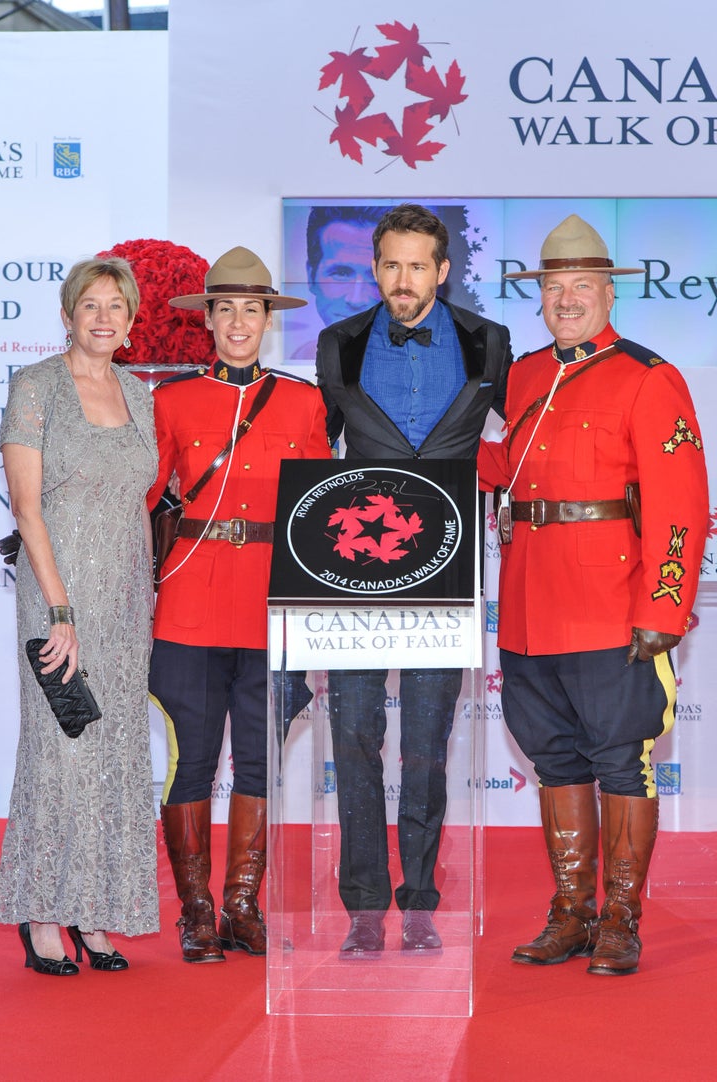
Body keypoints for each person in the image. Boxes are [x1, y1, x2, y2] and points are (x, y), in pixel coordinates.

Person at [478, 214, 709, 975]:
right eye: (553, 287)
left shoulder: (649, 377)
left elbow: (680, 511)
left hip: (612, 608)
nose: (566, 299)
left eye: (581, 286)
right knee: (554, 761)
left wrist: (662, 612)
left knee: (621, 763)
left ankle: (620, 918)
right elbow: (503, 472)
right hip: (529, 605)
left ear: (610, 293)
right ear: (538, 297)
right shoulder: (523, 377)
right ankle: (571, 912)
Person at [315, 203, 513, 955]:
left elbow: (519, 444)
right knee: (356, 733)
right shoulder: (339, 344)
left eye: (417, 265)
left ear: (442, 269)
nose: (403, 279)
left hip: (448, 563)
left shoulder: (488, 342)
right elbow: (314, 454)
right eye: (390, 265)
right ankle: (365, 905)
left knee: (428, 741)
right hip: (353, 570)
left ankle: (421, 900)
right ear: (374, 268)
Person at [148, 246, 331, 963]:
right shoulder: (170, 401)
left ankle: (243, 905)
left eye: (250, 309)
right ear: (209, 320)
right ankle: (196, 909)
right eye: (224, 309)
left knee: (260, 764)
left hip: (271, 603)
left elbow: (320, 517)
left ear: (267, 321)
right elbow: (140, 501)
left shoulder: (304, 402)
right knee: (191, 763)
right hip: (190, 602)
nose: (236, 322)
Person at [0, 257, 159, 975]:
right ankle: (40, 916)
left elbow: (140, 502)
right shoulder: (35, 389)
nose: (103, 317)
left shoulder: (136, 391)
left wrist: (147, 593)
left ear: (130, 321)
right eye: (89, 304)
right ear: (67, 314)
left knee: (115, 752)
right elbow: (28, 511)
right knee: (61, 749)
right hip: (58, 594)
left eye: (116, 306)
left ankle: (94, 914)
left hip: (127, 600)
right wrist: (59, 608)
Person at [288, 205, 383, 359]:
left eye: (374, 276)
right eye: (342, 273)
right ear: (311, 276)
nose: (356, 300)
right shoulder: (298, 360)